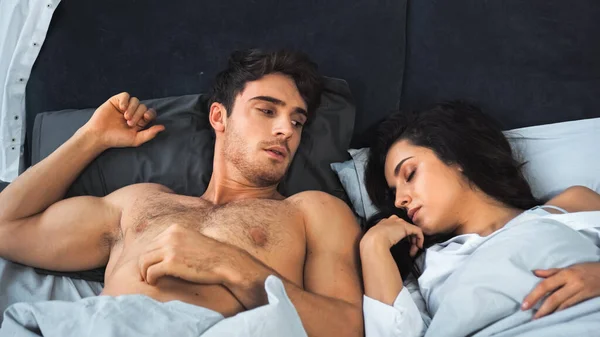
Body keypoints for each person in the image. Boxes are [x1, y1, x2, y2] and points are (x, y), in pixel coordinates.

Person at [0, 49, 363, 337]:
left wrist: (227, 264)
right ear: (219, 118)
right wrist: (91, 138)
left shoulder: (312, 210)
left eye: (297, 121)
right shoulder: (138, 201)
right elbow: (6, 226)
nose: (286, 129)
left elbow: (347, 328)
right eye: (267, 110)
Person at [360, 101, 600, 336]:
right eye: (393, 193)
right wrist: (373, 247)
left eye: (409, 174)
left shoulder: (570, 206)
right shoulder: (425, 266)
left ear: (456, 158)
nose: (399, 200)